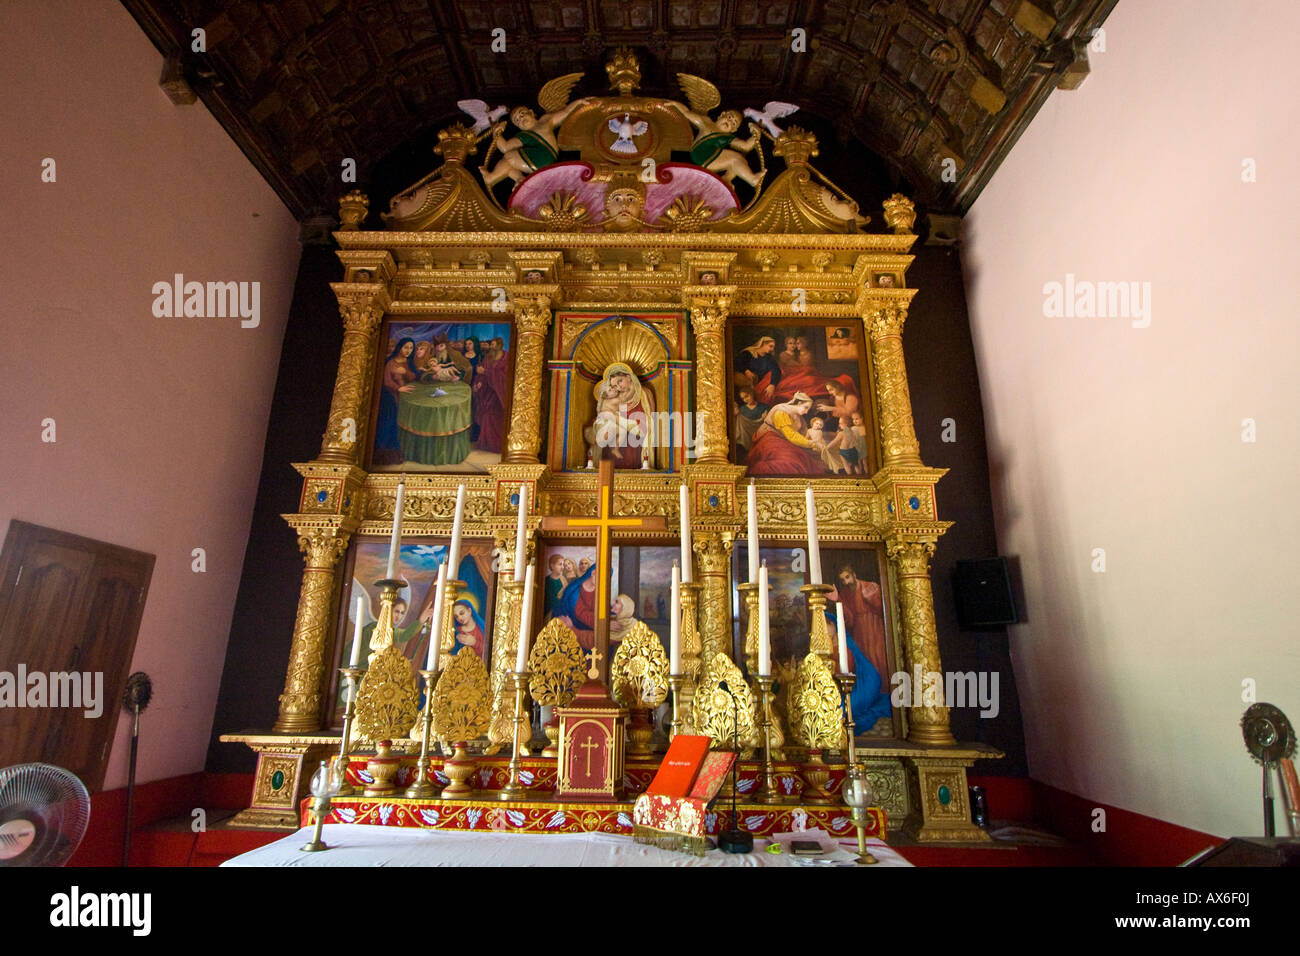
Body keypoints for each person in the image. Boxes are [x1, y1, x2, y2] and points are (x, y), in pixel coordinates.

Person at [745, 392, 825, 475]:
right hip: (770, 437)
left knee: (803, 457)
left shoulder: (798, 417)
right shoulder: (781, 412)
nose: (806, 412)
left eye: (808, 409)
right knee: (788, 460)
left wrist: (815, 442)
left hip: (783, 439)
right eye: (806, 407)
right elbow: (791, 435)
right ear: (799, 403)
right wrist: (812, 444)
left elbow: (803, 434)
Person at [374, 338, 420, 465]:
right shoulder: (390, 363)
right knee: (391, 423)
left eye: (411, 348)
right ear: (400, 347)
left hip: (406, 397)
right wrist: (399, 388)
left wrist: (406, 371)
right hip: (391, 397)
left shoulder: (409, 362)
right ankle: (385, 453)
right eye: (406, 347)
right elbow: (387, 382)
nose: (408, 351)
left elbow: (414, 377)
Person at [471, 333, 509, 454]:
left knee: (492, 416)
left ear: (499, 345)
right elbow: (480, 372)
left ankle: (496, 445)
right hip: (487, 392)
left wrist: (486, 372)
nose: (491, 347)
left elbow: (504, 377)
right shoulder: (488, 357)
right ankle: (485, 443)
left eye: (493, 344)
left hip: (500, 393)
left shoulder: (506, 358)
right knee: (485, 414)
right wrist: (477, 384)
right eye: (491, 344)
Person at [735, 335, 781, 404]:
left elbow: (776, 370)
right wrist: (746, 371)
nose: (772, 349)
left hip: (758, 382)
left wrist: (772, 384)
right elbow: (737, 363)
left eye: (773, 347)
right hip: (744, 380)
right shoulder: (748, 353)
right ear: (763, 344)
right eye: (770, 346)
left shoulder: (769, 358)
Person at [733, 385, 770, 460]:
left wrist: (766, 418)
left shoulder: (764, 407)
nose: (745, 400)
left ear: (752, 394)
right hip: (746, 438)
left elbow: (771, 421)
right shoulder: (742, 410)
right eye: (743, 398)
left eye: (747, 396)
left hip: (761, 436)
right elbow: (738, 424)